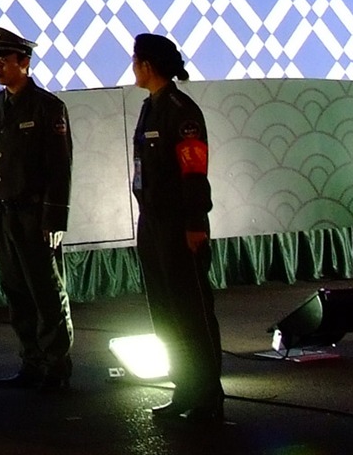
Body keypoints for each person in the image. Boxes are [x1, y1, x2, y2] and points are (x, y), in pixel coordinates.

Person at [131, 33, 223, 424]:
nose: (133, 67)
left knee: (191, 312)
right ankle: (184, 389)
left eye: (135, 61)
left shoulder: (180, 110)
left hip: (178, 225)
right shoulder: (149, 108)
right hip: (153, 224)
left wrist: (194, 223)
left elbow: (193, 171)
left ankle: (207, 397)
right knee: (165, 313)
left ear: (148, 66)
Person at [0, 25, 75, 390]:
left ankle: (56, 365)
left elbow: (59, 168)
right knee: (16, 291)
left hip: (35, 216)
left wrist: (55, 218)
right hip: (3, 215)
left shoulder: (49, 107)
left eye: (4, 59)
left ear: (25, 62)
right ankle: (31, 361)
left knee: (46, 292)